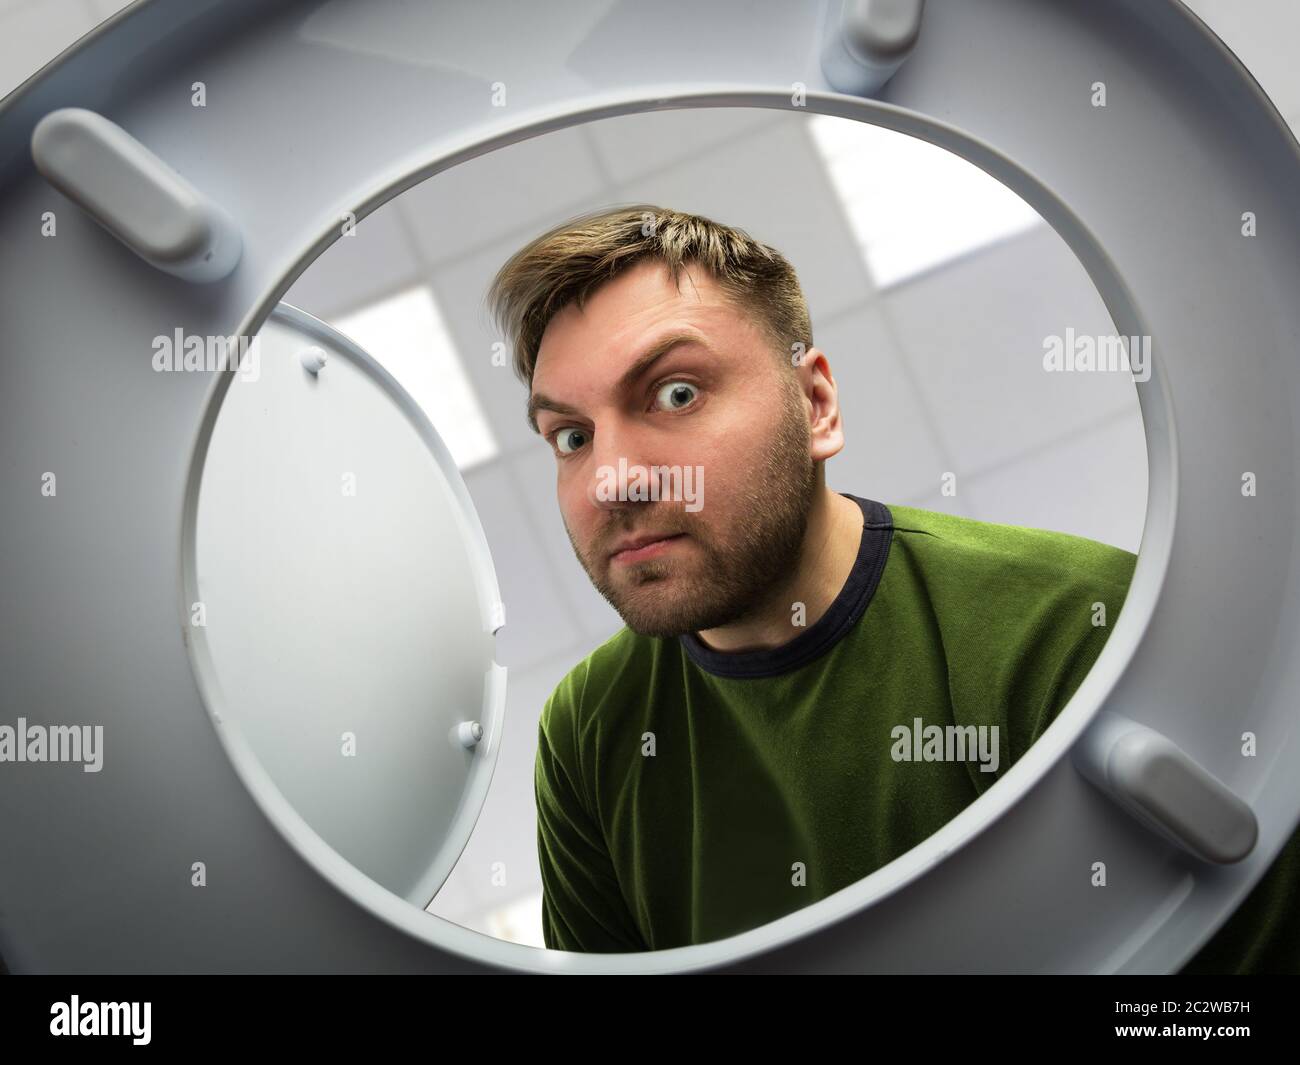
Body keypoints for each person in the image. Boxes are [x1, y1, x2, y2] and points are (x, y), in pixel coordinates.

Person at [486, 203, 1300, 970]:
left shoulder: (1069, 625)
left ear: (816, 405)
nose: (611, 482)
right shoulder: (588, 730)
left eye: (676, 393)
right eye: (572, 435)